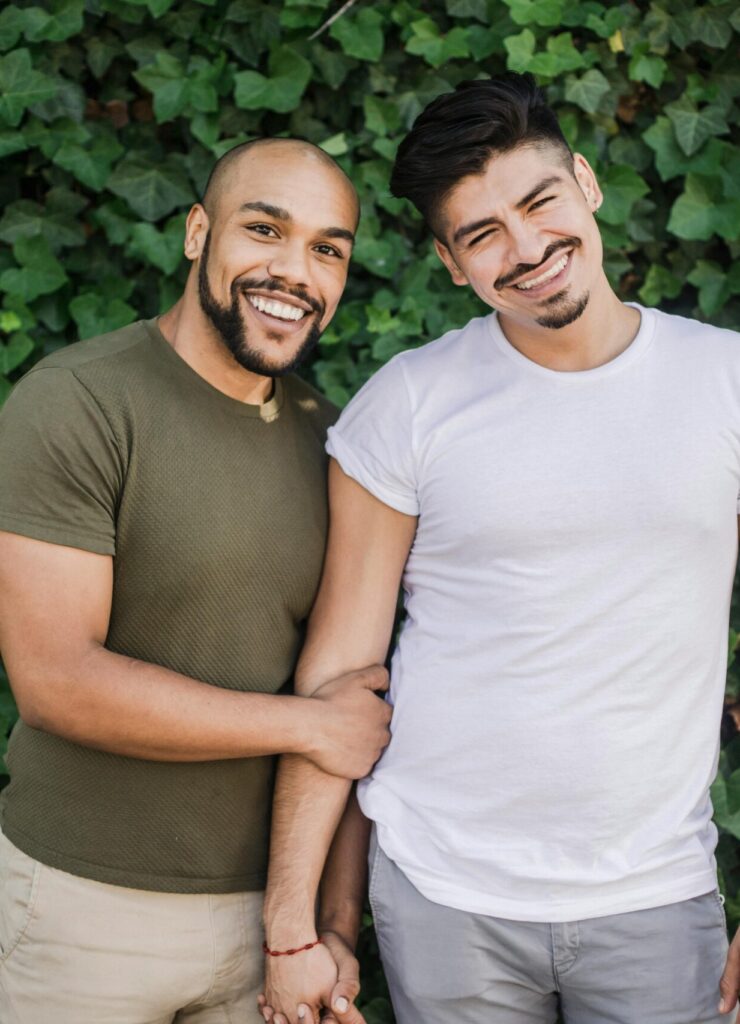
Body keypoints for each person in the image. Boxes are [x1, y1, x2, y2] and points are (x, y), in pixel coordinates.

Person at [260, 73, 740, 1024]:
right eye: (482, 234)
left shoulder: (725, 381)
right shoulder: (409, 403)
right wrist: (294, 927)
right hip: (444, 894)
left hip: (654, 891)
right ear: (450, 262)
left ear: (587, 185)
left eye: (540, 203)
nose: (526, 250)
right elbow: (340, 675)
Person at [0, 137, 392, 1024]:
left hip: (267, 930)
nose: (295, 271)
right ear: (196, 233)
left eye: (328, 249)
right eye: (265, 230)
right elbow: (56, 679)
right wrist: (308, 725)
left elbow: (356, 700)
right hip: (81, 910)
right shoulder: (79, 402)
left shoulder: (340, 446)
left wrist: (328, 926)